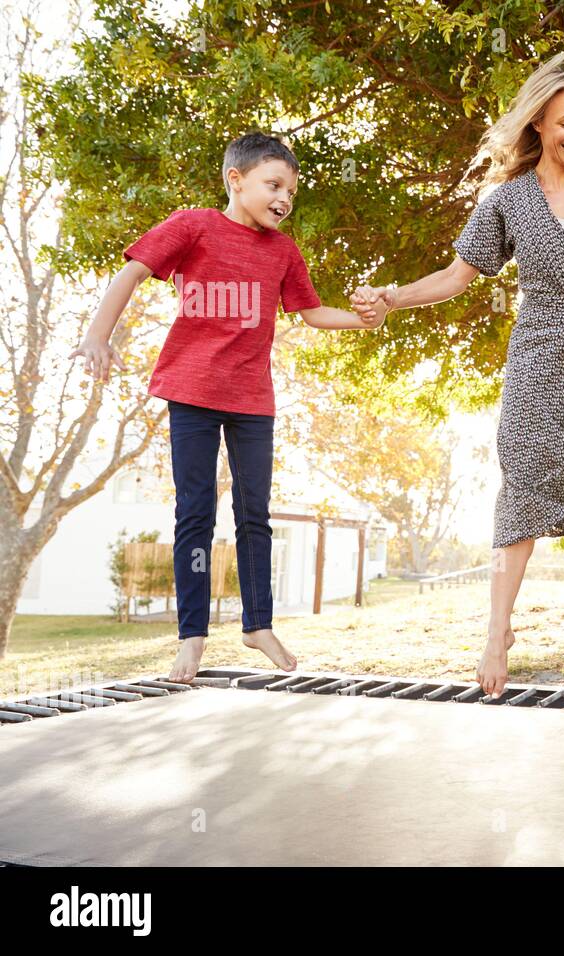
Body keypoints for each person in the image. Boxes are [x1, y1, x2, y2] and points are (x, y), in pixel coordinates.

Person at [352, 51, 564, 699]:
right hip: (535, 362)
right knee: (522, 484)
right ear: (539, 123)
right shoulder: (507, 202)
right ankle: (496, 631)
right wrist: (394, 296)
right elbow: (458, 277)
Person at [71, 131, 387, 683]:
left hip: (251, 400)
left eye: (291, 190)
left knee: (254, 515)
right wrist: (99, 335)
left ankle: (256, 623)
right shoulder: (194, 225)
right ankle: (192, 638)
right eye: (273, 185)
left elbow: (311, 314)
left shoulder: (284, 252)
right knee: (195, 513)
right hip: (191, 392)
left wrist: (364, 317)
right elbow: (132, 271)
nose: (285, 198)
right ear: (236, 180)